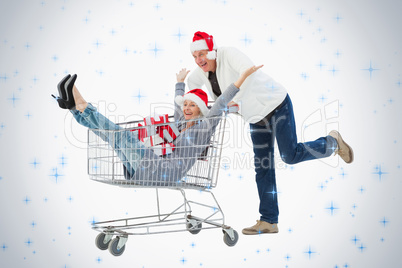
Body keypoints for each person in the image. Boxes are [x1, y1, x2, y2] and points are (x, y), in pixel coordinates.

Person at [186, 31, 354, 234]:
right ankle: (269, 221)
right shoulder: (202, 72)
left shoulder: (228, 54)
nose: (199, 60)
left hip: (275, 104)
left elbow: (248, 72)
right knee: (263, 167)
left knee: (289, 155)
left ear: (211, 52)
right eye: (195, 56)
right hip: (256, 117)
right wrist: (201, 105)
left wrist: (235, 102)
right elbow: (192, 84)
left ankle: (332, 143)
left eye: (202, 54)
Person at [52, 65, 262, 186]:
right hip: (152, 167)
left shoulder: (205, 127)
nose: (187, 108)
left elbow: (220, 103)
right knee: (112, 137)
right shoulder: (179, 124)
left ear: (200, 110)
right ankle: (74, 107)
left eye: (192, 105)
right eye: (186, 105)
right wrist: (180, 82)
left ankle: (79, 104)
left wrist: (241, 78)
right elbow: (178, 101)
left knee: (122, 136)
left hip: (164, 170)